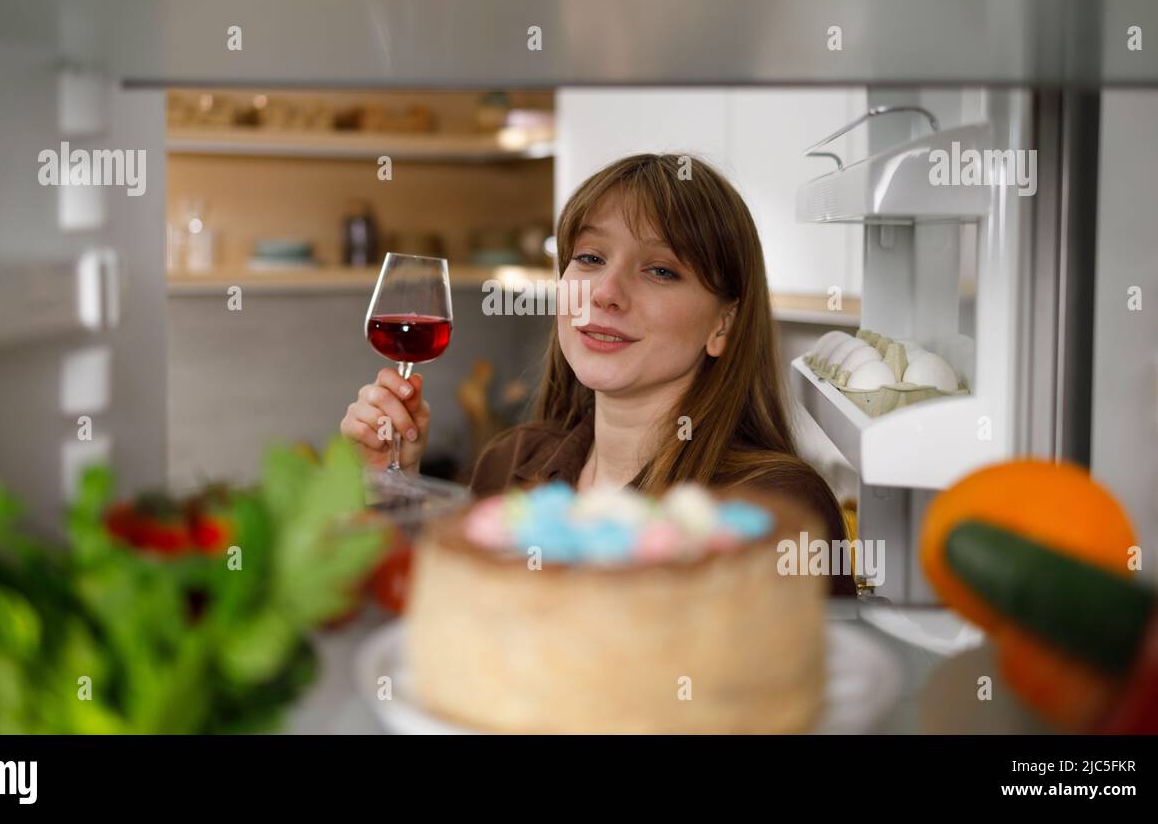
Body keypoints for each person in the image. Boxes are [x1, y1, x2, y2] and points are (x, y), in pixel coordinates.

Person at [341, 153, 857, 596]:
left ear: (723, 324)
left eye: (660, 269)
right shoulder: (511, 460)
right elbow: (447, 626)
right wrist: (388, 484)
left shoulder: (779, 506)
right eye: (589, 257)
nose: (604, 291)